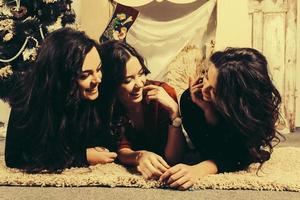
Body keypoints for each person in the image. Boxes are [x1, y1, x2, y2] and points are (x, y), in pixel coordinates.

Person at [159, 47, 282, 190]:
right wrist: (207, 111)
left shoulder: (251, 112)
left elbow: (243, 154)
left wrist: (202, 169)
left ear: (236, 98)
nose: (204, 89)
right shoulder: (191, 99)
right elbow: (207, 151)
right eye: (206, 76)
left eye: (214, 90)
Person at [5, 28, 117, 173]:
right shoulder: (27, 96)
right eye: (85, 75)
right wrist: (81, 157)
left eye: (99, 69)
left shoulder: (97, 92)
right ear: (62, 78)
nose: (97, 79)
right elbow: (14, 158)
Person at [99, 40, 186, 179]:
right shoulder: (110, 104)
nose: (139, 84)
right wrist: (138, 156)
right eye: (128, 80)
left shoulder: (164, 94)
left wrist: (174, 112)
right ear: (112, 83)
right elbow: (121, 149)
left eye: (141, 73)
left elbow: (173, 159)